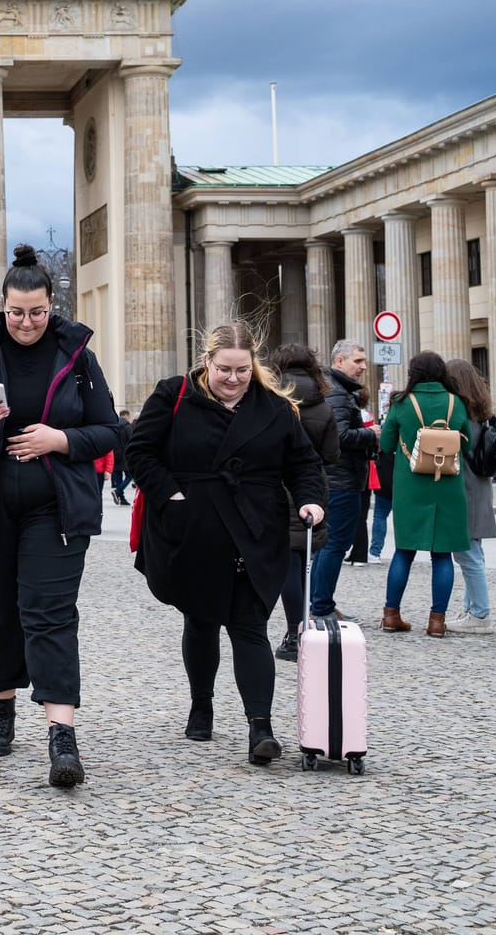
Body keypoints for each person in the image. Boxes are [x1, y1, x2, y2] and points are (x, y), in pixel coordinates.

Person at [0, 245, 127, 789]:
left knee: (50, 613)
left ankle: (62, 735)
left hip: (55, 507)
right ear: (3, 305)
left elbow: (111, 430)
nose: (27, 323)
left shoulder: (77, 355)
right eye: (17, 312)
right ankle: (2, 704)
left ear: (51, 303)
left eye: (37, 312)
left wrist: (59, 438)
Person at [126, 323, 328, 765]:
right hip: (195, 528)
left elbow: (303, 463)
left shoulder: (274, 407)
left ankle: (261, 727)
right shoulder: (174, 395)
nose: (232, 378)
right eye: (223, 369)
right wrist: (172, 495)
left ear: (252, 365)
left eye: (241, 370)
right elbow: (139, 452)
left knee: (250, 625)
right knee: (200, 621)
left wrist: (311, 501)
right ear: (207, 361)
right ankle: (202, 705)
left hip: (257, 531)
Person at [377, 351, 473, 637]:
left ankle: (391, 614)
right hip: (448, 485)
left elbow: (385, 443)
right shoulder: (456, 402)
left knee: (404, 551)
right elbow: (466, 446)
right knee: (442, 555)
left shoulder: (401, 402)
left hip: (410, 486)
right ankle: (437, 622)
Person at [266, 344, 341, 660]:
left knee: (287, 566)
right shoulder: (323, 407)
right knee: (302, 561)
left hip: (277, 488)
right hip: (312, 489)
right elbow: (331, 456)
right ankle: (302, 630)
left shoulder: (272, 401)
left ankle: (295, 632)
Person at [307, 340, 381, 619]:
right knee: (335, 544)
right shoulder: (338, 393)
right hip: (341, 480)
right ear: (339, 361)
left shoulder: (336, 389)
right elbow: (339, 437)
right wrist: (369, 434)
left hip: (337, 478)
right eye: (357, 361)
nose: (363, 366)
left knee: (329, 544)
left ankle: (319, 602)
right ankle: (321, 606)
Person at [442, 358, 496, 633]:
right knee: (473, 551)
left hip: (465, 486)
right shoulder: (480, 411)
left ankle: (479, 614)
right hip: (478, 485)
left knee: (467, 554)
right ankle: (472, 609)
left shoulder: (459, 414)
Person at [110, 411, 134, 504]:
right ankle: (117, 491)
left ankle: (122, 498)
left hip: (115, 455)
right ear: (126, 415)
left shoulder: (114, 426)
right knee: (129, 476)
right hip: (125, 455)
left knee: (118, 477)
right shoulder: (127, 427)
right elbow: (131, 440)